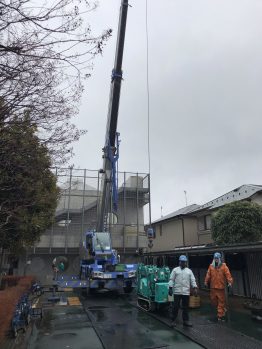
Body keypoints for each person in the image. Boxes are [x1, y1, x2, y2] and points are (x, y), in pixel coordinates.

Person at [169, 255, 198, 327]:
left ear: (186, 263)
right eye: (182, 262)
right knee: (175, 307)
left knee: (185, 307)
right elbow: (171, 279)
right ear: (179, 262)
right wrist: (170, 288)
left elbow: (192, 280)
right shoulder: (175, 270)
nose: (183, 263)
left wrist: (195, 287)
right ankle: (173, 320)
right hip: (177, 292)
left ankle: (186, 321)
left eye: (184, 262)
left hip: (186, 292)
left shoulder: (189, 271)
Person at [204, 252, 233, 321]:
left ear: (220, 258)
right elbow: (208, 274)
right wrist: (206, 281)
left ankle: (220, 316)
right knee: (213, 301)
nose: (216, 259)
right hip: (213, 287)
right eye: (215, 258)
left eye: (217, 258)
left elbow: (228, 274)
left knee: (221, 301)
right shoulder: (211, 266)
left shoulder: (224, 266)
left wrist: (230, 282)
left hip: (221, 288)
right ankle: (222, 309)